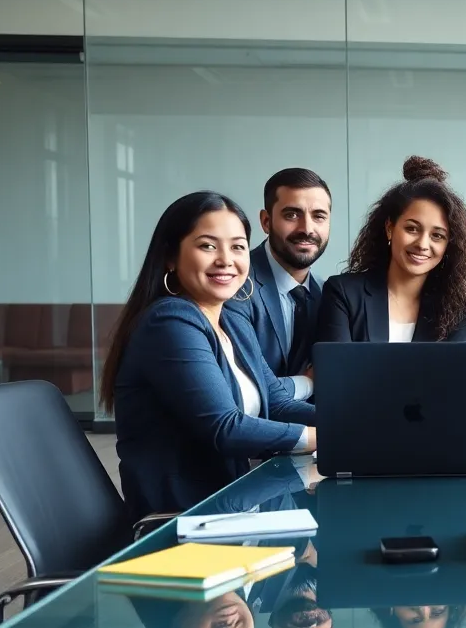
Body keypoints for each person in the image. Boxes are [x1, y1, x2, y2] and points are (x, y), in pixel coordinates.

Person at [100, 192, 316, 520]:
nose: (226, 260)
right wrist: (327, 436)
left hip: (232, 505)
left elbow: (277, 403)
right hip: (182, 521)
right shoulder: (170, 321)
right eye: (208, 246)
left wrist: (351, 421)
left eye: (238, 246)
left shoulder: (230, 319)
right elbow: (225, 427)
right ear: (171, 256)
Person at [315, 156, 466, 344]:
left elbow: (453, 374)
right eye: (412, 229)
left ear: (448, 244)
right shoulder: (343, 293)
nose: (423, 244)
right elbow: (337, 369)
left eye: (437, 235)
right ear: (390, 228)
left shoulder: (458, 312)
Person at [224, 168, 332, 401]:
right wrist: (310, 382)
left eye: (319, 216)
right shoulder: (233, 282)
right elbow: (249, 389)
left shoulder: (328, 294)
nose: (307, 228)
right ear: (266, 221)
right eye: (292, 215)